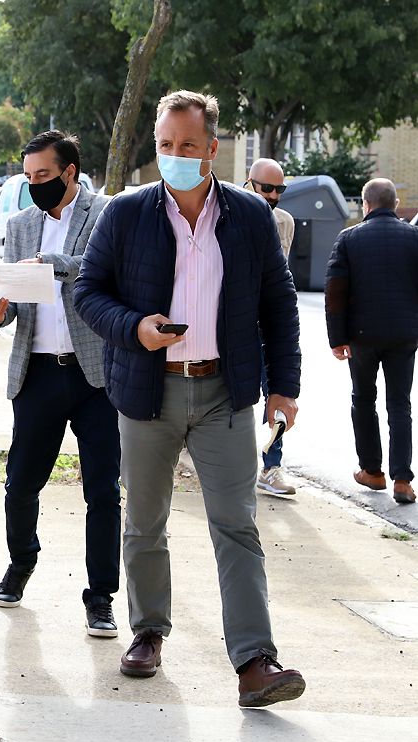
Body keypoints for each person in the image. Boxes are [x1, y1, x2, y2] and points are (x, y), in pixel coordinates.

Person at [74, 90, 306, 707]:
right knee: (144, 523)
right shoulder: (125, 214)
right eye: (165, 146)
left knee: (237, 525)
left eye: (187, 146)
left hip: (224, 394)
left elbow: (278, 307)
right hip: (148, 392)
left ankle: (255, 660)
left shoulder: (251, 217)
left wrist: (284, 386)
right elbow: (89, 293)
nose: (175, 156)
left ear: (212, 149)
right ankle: (148, 633)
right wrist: (136, 329)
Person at [0, 131, 121, 637]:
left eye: (43, 175)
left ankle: (101, 596)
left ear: (70, 172)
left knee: (103, 491)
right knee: (20, 484)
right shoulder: (20, 225)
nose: (35, 184)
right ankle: (21, 563)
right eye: (29, 176)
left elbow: (109, 272)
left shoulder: (106, 213)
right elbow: (15, 299)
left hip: (96, 374)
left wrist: (54, 266)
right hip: (37, 371)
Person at [325, 177, 418, 505]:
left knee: (363, 399)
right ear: (394, 204)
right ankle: (403, 479)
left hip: (362, 337)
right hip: (405, 336)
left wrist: (337, 338)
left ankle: (372, 471)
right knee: (400, 404)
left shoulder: (349, 238)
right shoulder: (414, 237)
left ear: (365, 205)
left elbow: (336, 292)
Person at [247, 158, 297, 495]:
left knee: (276, 392)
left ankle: (272, 465)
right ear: (249, 183)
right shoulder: (228, 212)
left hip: (267, 320)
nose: (274, 195)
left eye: (280, 189)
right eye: (267, 188)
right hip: (232, 322)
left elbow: (279, 276)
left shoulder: (284, 222)